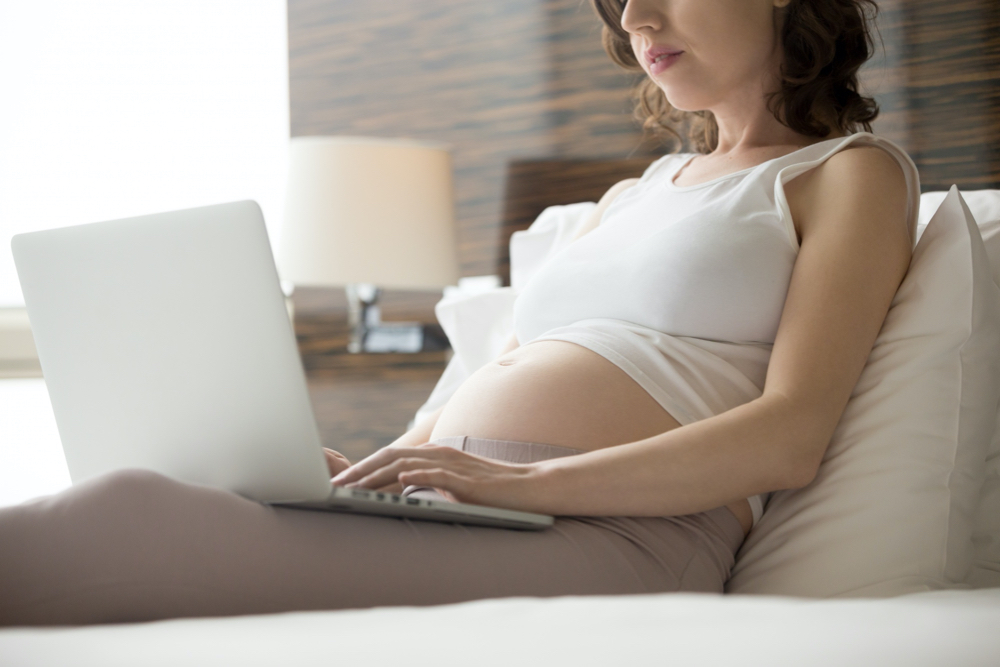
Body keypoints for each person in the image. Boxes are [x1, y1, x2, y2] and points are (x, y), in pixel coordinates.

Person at [0, 0, 919, 626]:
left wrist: (521, 487)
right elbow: (488, 377)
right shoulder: (632, 195)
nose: (637, 17)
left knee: (142, 515)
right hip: (465, 505)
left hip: (627, 534)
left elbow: (790, 436)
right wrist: (364, 476)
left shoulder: (847, 173)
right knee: (162, 493)